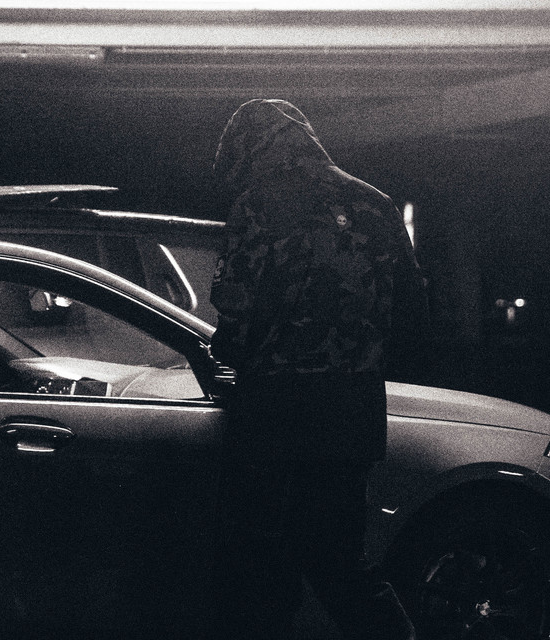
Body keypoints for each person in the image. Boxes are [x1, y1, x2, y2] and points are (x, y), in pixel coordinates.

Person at [209, 99, 429, 640]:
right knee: (339, 556)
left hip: (275, 407)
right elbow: (414, 306)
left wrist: (228, 352)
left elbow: (237, 305)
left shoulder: (258, 203)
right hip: (353, 406)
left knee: (262, 557)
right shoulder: (375, 203)